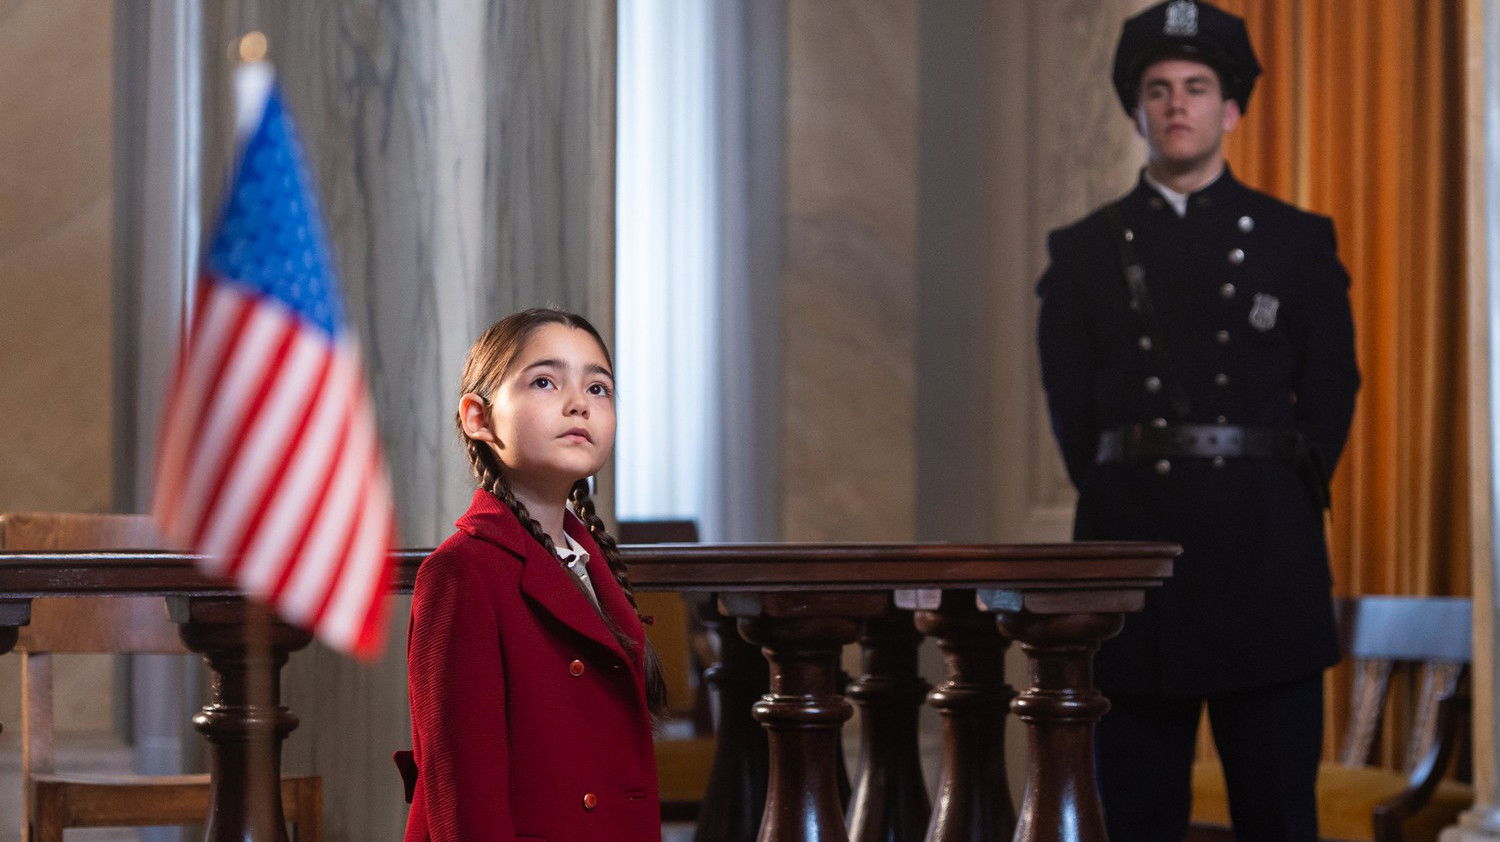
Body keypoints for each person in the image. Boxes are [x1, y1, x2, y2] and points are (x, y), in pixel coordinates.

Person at [1035, 2, 1360, 840]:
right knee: (1136, 817)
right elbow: (1072, 411)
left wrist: (1277, 495)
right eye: (1158, 89)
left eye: (1197, 86)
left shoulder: (1297, 242)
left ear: (1232, 109)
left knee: (1279, 817)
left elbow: (1332, 388)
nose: (1177, 103)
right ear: (1136, 112)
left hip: (1267, 558)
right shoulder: (1084, 251)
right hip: (1133, 557)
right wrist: (1126, 496)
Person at [399, 308, 666, 842]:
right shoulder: (461, 572)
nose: (579, 403)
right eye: (545, 381)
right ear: (478, 417)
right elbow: (465, 792)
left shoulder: (588, 562)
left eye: (598, 388)